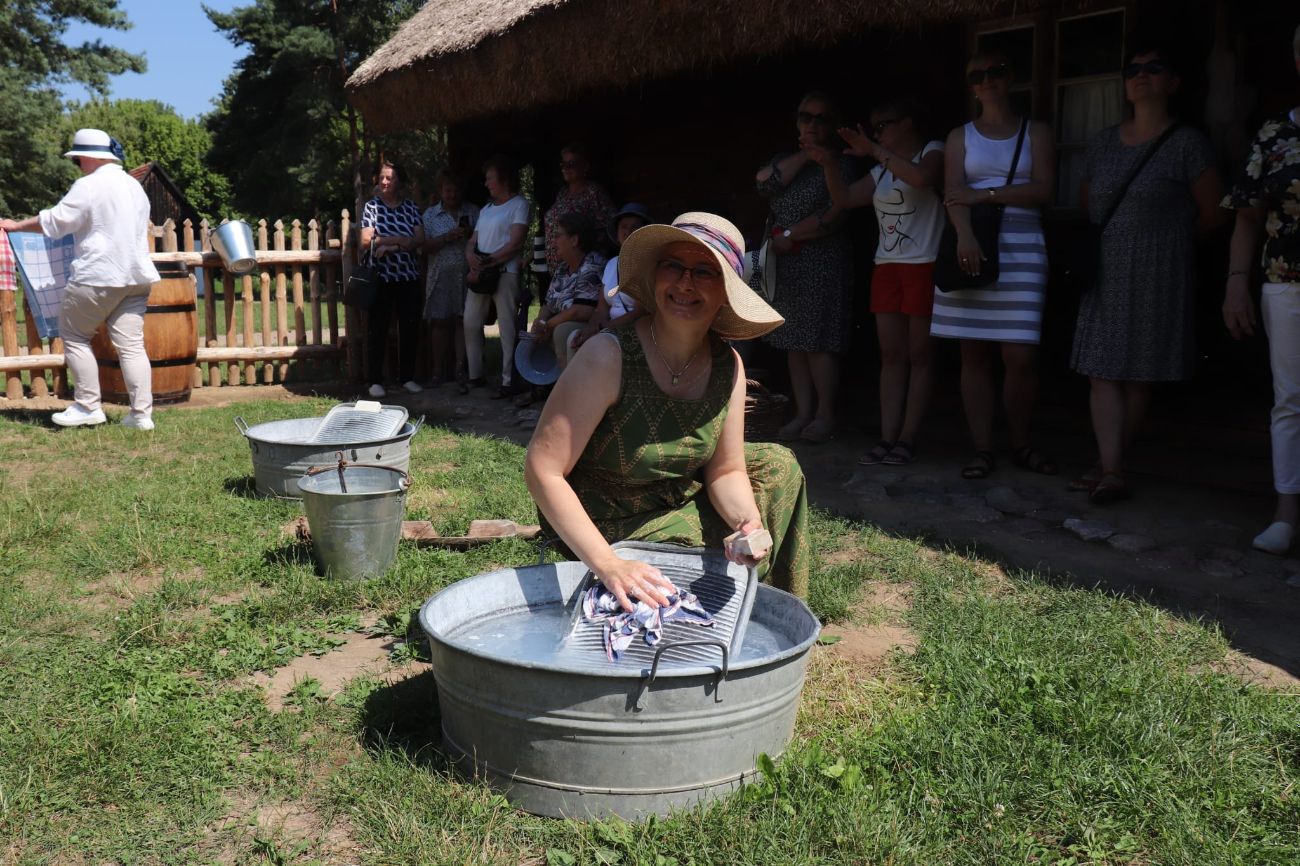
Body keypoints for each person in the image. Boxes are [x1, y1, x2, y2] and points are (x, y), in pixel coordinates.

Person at [525, 213, 809, 610]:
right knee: (693, 566)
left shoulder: (728, 366)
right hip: (604, 517)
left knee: (778, 465)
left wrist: (746, 522)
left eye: (704, 272)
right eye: (673, 266)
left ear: (726, 292)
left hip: (675, 498)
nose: (685, 283)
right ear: (655, 277)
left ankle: (771, 610)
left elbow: (726, 470)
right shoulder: (608, 356)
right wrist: (609, 564)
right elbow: (543, 469)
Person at [1071, 49, 1222, 503]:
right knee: (1100, 369)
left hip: (1159, 269)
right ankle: (1111, 467)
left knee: (1139, 373)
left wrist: (1169, 245)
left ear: (1172, 82)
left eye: (1153, 68)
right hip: (1107, 268)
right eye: (1132, 70)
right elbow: (1087, 202)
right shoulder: (1103, 142)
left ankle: (1109, 465)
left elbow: (1214, 212)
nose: (1141, 76)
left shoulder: (1187, 144)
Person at [935, 54, 1057, 479]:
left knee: (1020, 354)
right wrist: (965, 234)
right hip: (973, 241)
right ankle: (983, 448)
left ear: (1010, 78)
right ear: (970, 85)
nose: (987, 81)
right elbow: (953, 192)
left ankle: (1021, 443)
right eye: (977, 75)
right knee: (973, 353)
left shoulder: (1036, 132)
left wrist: (985, 195)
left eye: (996, 72)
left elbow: (1043, 189)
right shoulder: (960, 136)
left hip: (1022, 245)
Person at [814, 96, 945, 466]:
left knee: (920, 355)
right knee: (891, 355)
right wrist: (829, 164)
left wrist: (873, 150)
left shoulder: (932, 150)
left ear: (907, 122)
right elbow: (844, 199)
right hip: (886, 266)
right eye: (875, 129)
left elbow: (923, 178)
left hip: (924, 263)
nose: (878, 133)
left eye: (884, 125)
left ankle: (907, 438)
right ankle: (887, 437)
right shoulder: (882, 170)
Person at [0, 128, 159, 429]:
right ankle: (141, 415)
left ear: (88, 157)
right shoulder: (133, 186)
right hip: (137, 276)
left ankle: (88, 406)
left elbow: (56, 221)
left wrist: (16, 225)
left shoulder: (89, 185)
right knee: (131, 346)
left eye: (78, 159)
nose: (78, 164)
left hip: (98, 274)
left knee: (73, 335)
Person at [1222, 24, 1300, 555]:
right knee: (1290, 400)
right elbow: (1247, 217)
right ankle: (1287, 514)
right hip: (1286, 285)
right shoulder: (1275, 135)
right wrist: (1236, 284)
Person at [756, 91, 855, 443]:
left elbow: (834, 214)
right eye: (805, 117)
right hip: (786, 263)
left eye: (820, 118)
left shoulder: (842, 163)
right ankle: (803, 413)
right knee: (793, 341)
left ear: (834, 124)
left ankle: (825, 415)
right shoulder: (788, 160)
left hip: (821, 260)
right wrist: (804, 154)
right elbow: (764, 183)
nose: (811, 124)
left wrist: (790, 235)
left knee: (818, 341)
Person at [463, 155, 529, 398]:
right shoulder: (486, 209)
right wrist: (470, 255)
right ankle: (475, 375)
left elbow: (515, 243)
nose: (486, 183)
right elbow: (473, 240)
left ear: (504, 179)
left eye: (490, 178)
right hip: (481, 273)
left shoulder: (519, 204)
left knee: (507, 327)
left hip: (504, 273)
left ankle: (508, 380)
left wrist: (487, 262)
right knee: (470, 322)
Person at [360, 160, 425, 398]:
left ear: (400, 181)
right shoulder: (372, 207)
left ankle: (407, 377)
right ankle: (374, 380)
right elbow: (365, 240)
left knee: (409, 327)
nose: (384, 182)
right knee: (377, 328)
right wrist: (398, 241)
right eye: (382, 177)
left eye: (390, 178)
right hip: (381, 277)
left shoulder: (411, 207)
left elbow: (418, 239)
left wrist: (388, 244)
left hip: (408, 277)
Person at [420, 170, 479, 387]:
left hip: (467, 276)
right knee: (439, 323)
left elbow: (484, 240)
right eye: (448, 190)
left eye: (455, 190)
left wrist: (470, 233)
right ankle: (437, 373)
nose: (452, 194)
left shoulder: (473, 211)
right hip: (440, 277)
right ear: (440, 191)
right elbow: (424, 247)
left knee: (463, 321)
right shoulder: (430, 215)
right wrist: (446, 237)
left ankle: (460, 370)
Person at [528, 213, 606, 371]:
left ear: (574, 240)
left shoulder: (592, 264)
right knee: (531, 337)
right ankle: (544, 382)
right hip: (558, 323)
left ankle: (567, 383)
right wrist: (540, 322)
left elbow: (581, 311)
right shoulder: (563, 268)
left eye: (557, 236)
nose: (553, 241)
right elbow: (548, 305)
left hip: (590, 325)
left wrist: (548, 326)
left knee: (561, 331)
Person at [573, 202, 651, 349]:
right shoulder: (611, 264)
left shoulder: (648, 264)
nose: (628, 231)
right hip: (609, 330)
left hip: (636, 332)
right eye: (624, 227)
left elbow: (640, 312)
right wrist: (589, 329)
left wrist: (602, 330)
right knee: (575, 340)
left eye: (635, 227)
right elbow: (601, 309)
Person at [543, 143, 616, 273]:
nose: (566, 168)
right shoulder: (562, 194)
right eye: (563, 164)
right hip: (559, 272)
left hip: (582, 270)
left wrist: (585, 256)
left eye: (571, 164)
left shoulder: (594, 193)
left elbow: (610, 229)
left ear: (585, 166)